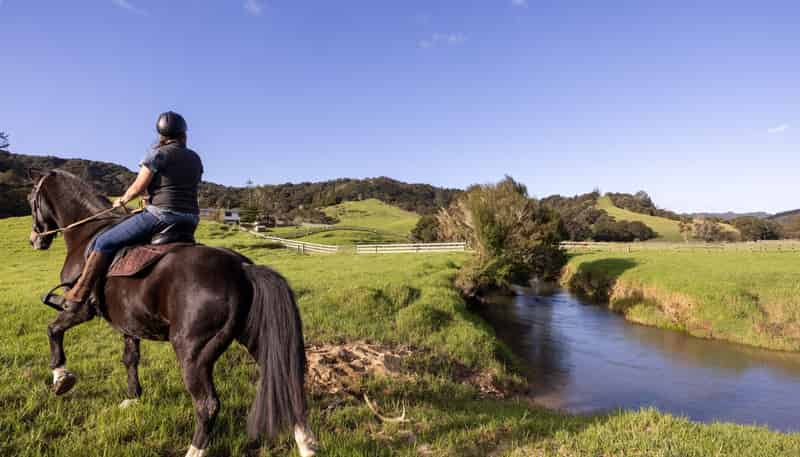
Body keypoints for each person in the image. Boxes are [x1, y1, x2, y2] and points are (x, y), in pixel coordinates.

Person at [62, 111, 203, 309]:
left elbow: (138, 187)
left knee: (103, 241)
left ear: (161, 134)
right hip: (190, 219)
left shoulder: (158, 154)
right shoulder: (195, 158)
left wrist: (123, 200)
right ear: (184, 134)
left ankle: (79, 293)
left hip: (161, 215)